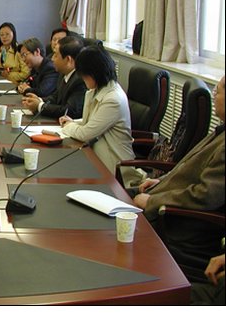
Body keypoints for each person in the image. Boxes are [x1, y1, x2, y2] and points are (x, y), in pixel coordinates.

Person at [133, 76, 225, 283]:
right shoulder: (223, 131)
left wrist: (153, 201)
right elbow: (188, 167)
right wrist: (162, 181)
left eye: (218, 91)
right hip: (167, 199)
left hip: (179, 223)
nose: (214, 96)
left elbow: (205, 196)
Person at [59, 45, 134, 174]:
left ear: (94, 74)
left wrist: (68, 126)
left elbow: (86, 134)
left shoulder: (113, 99)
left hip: (113, 165)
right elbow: (93, 120)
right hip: (96, 155)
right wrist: (74, 122)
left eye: (84, 75)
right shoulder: (98, 89)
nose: (82, 79)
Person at [22, 35, 86, 119]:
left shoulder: (80, 80)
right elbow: (56, 97)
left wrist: (40, 106)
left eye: (56, 55)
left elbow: (70, 111)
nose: (52, 59)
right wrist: (39, 100)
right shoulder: (63, 74)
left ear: (68, 59)